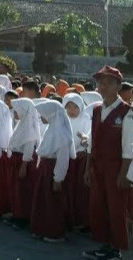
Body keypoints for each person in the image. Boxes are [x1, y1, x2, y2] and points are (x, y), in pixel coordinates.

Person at [83, 66, 131, 260]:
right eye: (100, 82)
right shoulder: (96, 110)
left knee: (116, 208)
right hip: (98, 165)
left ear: (118, 86)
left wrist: (124, 173)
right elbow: (92, 142)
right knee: (99, 206)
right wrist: (88, 168)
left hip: (116, 167)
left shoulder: (127, 112)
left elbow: (129, 146)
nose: (103, 86)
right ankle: (104, 245)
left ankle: (116, 249)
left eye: (109, 82)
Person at [30, 100, 74, 242]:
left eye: (43, 114)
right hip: (46, 168)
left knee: (53, 203)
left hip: (52, 170)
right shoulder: (51, 129)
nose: (41, 117)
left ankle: (54, 232)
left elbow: (63, 158)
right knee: (43, 201)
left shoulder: (60, 133)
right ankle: (42, 228)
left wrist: (58, 178)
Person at [7, 98, 41, 229]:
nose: (15, 113)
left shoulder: (29, 128)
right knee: (16, 189)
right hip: (17, 159)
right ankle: (16, 213)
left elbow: (28, 149)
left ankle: (22, 217)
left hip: (23, 161)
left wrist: (24, 166)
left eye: (17, 110)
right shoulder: (21, 124)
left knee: (23, 190)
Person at [62, 93, 91, 231]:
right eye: (68, 107)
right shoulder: (63, 119)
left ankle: (79, 220)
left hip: (80, 160)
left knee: (79, 190)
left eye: (75, 107)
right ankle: (66, 217)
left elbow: (88, 140)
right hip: (66, 158)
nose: (72, 110)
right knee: (66, 189)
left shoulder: (86, 120)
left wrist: (83, 147)